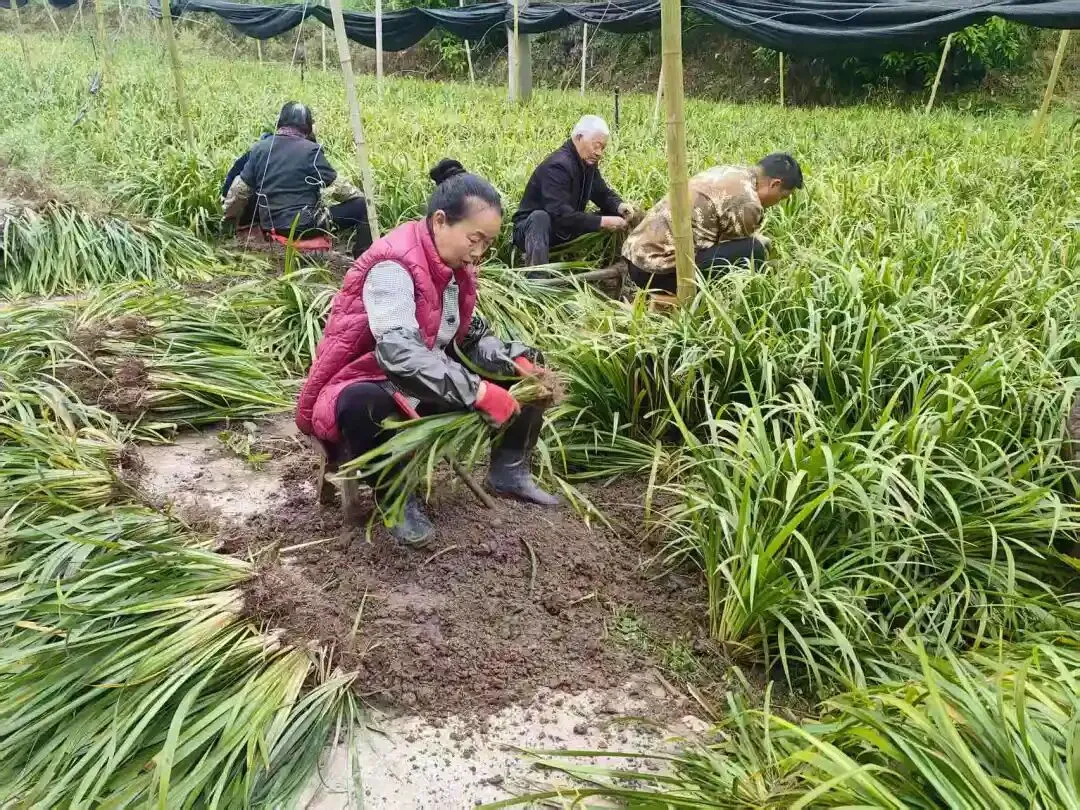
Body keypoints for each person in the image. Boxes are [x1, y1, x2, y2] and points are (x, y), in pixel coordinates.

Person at [295, 159, 559, 548]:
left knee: (529, 380)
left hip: (427, 381)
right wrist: (478, 392)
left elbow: (468, 334)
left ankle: (510, 471)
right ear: (440, 221)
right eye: (475, 239)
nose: (480, 252)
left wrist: (512, 361)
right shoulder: (392, 267)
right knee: (360, 403)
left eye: (488, 243)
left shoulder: (454, 268)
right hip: (369, 379)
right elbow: (398, 355)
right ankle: (397, 497)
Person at [622, 153, 804, 294]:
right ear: (774, 184)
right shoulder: (748, 202)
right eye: (782, 197)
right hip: (657, 273)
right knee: (753, 251)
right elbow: (735, 247)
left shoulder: (731, 172)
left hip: (636, 258)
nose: (778, 202)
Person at [222, 101, 373, 257]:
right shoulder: (311, 150)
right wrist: (358, 197)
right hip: (305, 226)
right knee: (364, 207)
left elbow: (239, 191)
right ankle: (362, 258)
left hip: (270, 225)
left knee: (255, 187)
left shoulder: (259, 148)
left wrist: (229, 219)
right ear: (307, 126)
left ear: (279, 122)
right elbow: (340, 188)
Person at [512, 115, 638, 270]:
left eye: (603, 148)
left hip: (563, 228)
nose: (599, 153)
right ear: (579, 138)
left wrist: (619, 206)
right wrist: (603, 222)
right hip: (532, 231)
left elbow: (601, 193)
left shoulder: (587, 163)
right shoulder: (558, 166)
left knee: (615, 214)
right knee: (540, 218)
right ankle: (536, 278)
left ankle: (610, 265)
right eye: (596, 145)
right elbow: (560, 215)